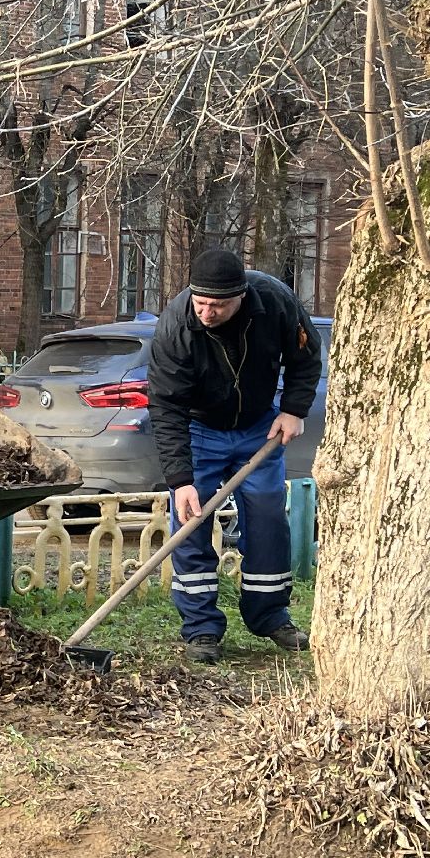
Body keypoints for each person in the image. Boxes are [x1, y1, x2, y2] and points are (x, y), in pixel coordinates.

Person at [147, 248, 322, 665]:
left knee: (266, 515)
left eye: (218, 305)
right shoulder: (177, 326)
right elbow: (165, 405)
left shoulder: (275, 302)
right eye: (201, 303)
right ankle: (202, 628)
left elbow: (305, 355)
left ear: (241, 296)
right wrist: (181, 479)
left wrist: (294, 409)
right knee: (189, 522)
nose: (207, 313)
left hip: (257, 428)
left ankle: (270, 616)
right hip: (198, 428)